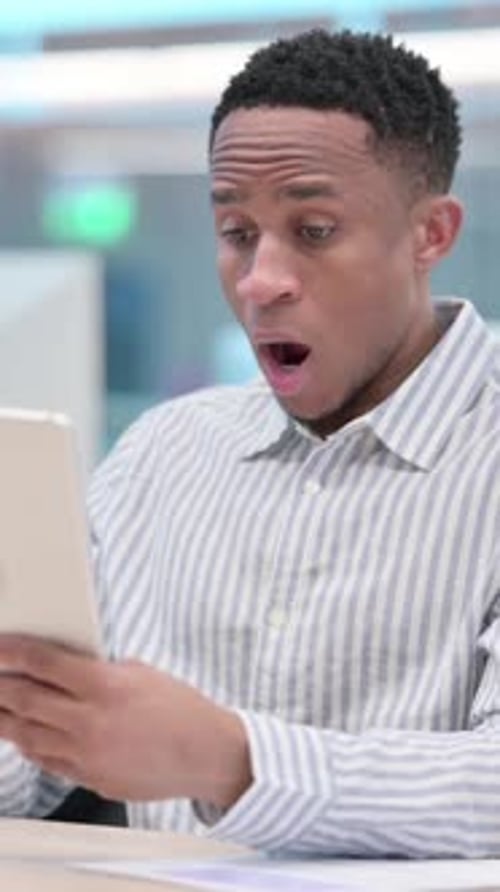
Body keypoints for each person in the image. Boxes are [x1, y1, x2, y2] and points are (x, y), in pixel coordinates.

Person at [0, 27, 499, 859]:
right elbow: (38, 740)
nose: (261, 280)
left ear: (431, 235)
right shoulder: (165, 455)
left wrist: (233, 761)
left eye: (314, 230)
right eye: (236, 232)